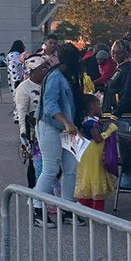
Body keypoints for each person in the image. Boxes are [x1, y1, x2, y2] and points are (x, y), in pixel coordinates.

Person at [33, 43, 86, 227]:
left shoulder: (67, 76)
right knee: (51, 169)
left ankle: (67, 208)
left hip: (66, 129)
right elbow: (50, 106)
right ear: (71, 60)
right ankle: (37, 209)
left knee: (71, 169)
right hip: (50, 127)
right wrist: (66, 122)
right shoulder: (55, 77)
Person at [75, 95, 118, 211]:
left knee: (91, 178)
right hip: (92, 153)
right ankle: (96, 210)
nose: (100, 107)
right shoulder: (90, 123)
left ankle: (85, 206)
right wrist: (109, 131)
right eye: (98, 104)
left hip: (92, 152)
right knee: (96, 177)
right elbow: (98, 138)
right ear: (91, 107)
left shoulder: (89, 120)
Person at [14, 55, 49, 189]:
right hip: (33, 132)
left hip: (49, 129)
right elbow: (21, 114)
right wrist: (24, 137)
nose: (45, 71)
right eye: (42, 69)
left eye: (46, 68)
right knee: (34, 164)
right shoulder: (23, 88)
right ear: (33, 71)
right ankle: (33, 192)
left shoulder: (48, 84)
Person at [103, 40, 131, 130]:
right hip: (120, 113)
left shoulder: (129, 69)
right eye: (113, 52)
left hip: (126, 114)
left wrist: (116, 114)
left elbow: (128, 93)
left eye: (119, 53)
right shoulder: (120, 68)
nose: (115, 55)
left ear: (126, 53)